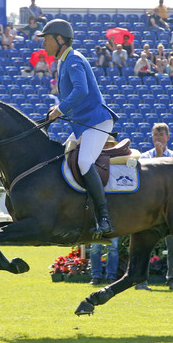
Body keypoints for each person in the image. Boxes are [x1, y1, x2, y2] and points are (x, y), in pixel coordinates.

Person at [40, 19, 118, 238]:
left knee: (84, 161)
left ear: (60, 39)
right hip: (84, 124)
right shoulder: (64, 61)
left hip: (97, 121)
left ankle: (105, 218)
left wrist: (60, 109)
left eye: (46, 39)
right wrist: (57, 111)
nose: (44, 44)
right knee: (65, 158)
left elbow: (81, 91)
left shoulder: (73, 60)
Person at [138, 123, 173, 291]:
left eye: (161, 135)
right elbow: (146, 182)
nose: (158, 138)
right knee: (144, 246)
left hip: (171, 209)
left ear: (168, 137)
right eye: (155, 135)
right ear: (152, 137)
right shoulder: (144, 157)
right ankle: (141, 280)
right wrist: (157, 156)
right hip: (149, 210)